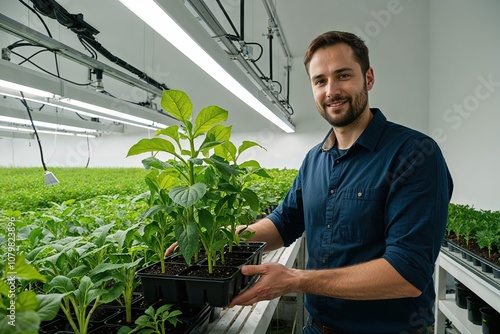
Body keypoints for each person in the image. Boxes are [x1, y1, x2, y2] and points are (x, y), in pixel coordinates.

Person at [167, 31, 453, 334]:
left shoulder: (415, 154)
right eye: (320, 81)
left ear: (368, 78)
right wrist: (222, 239)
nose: (331, 90)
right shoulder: (316, 159)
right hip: (317, 327)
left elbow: (407, 273)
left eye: (343, 75)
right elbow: (284, 222)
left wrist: (296, 279)